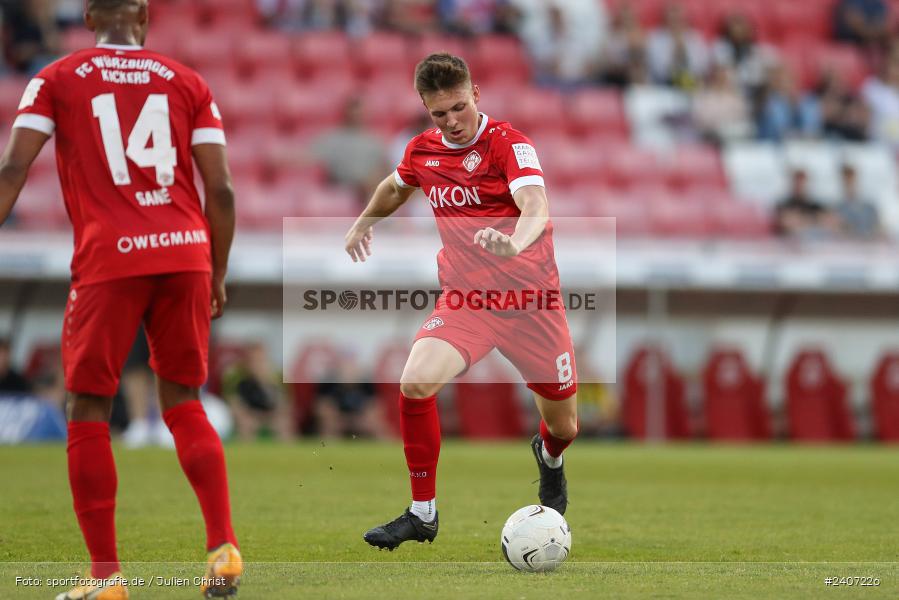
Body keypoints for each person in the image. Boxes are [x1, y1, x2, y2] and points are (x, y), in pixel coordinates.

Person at [0, 1, 241, 597]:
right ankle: (224, 549)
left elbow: (12, 169)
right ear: (145, 16)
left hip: (111, 258)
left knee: (86, 410)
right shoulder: (187, 81)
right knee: (184, 399)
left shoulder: (55, 78)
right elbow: (224, 190)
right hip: (186, 251)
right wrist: (216, 273)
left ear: (87, 17)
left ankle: (106, 580)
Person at [344, 53, 579, 550]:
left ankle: (550, 458)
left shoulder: (508, 145)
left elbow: (536, 204)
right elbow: (395, 186)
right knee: (414, 383)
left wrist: (515, 241)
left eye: (458, 108)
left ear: (476, 95)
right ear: (425, 109)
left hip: (531, 304)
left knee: (565, 425)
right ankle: (422, 513)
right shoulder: (423, 151)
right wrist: (365, 220)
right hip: (467, 299)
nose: (451, 122)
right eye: (439, 114)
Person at [222, 342, 294, 442]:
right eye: (253, 360)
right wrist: (249, 417)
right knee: (245, 424)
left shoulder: (276, 376)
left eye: (260, 360)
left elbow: (284, 405)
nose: (257, 364)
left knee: (284, 424)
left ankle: (287, 455)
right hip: (249, 414)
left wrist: (264, 382)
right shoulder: (236, 376)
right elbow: (234, 405)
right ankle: (246, 455)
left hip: (271, 415)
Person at [774, 170, 839, 239]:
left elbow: (831, 220)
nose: (800, 185)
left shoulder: (813, 205)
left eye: (802, 182)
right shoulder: (784, 204)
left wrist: (803, 221)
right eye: (797, 182)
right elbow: (786, 223)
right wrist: (814, 220)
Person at [835, 164, 883, 240]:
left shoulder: (869, 206)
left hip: (868, 245)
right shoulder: (836, 208)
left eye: (851, 179)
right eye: (846, 180)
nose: (849, 183)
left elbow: (879, 228)